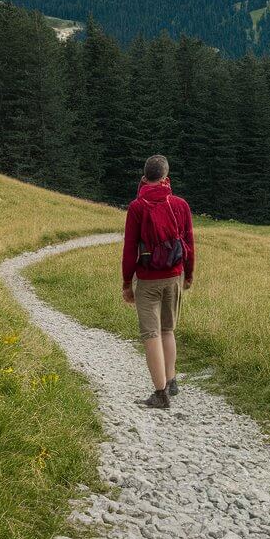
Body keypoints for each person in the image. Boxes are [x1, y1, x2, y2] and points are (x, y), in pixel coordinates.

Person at [122, 154, 194, 409]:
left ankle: (160, 393)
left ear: (144, 178)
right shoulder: (180, 205)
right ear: (166, 177)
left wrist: (126, 283)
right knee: (167, 330)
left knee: (150, 333)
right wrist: (189, 273)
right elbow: (189, 242)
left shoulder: (137, 207)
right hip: (174, 275)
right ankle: (172, 380)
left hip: (148, 279)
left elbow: (130, 248)